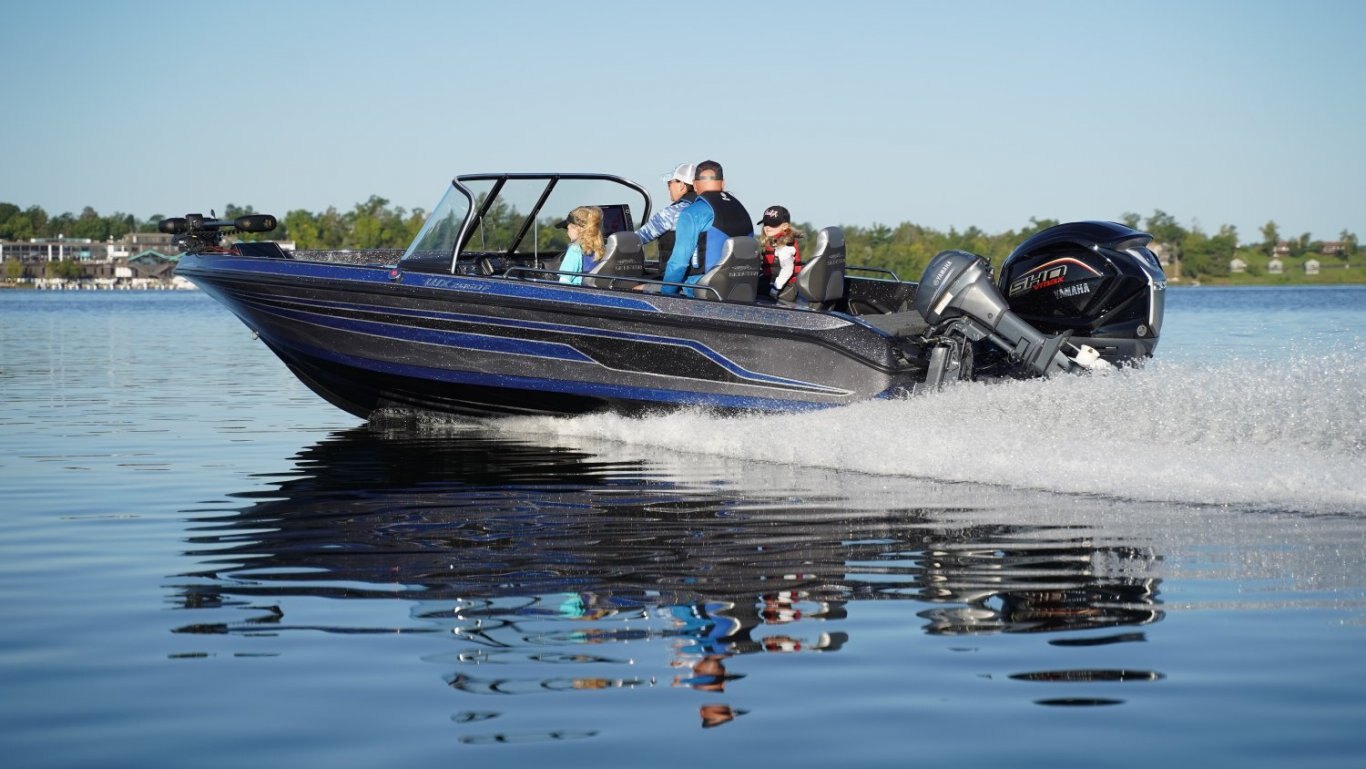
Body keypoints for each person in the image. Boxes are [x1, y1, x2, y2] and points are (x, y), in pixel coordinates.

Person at [661, 160, 752, 296]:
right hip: (743, 288)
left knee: (644, 288)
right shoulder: (741, 209)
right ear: (723, 183)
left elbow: (678, 264)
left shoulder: (692, 212)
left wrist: (665, 295)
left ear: (695, 184)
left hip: (707, 289)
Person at [635, 163, 697, 265]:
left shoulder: (670, 214)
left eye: (669, 183)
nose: (668, 188)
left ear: (681, 185)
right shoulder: (709, 209)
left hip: (674, 274)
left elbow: (636, 239)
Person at [756, 205, 802, 301]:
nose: (768, 227)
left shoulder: (785, 246)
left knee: (750, 289)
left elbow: (787, 269)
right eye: (766, 223)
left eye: (773, 224)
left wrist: (776, 288)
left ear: (785, 226)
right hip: (773, 281)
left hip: (786, 288)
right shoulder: (774, 242)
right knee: (753, 283)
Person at [555, 206, 604, 285]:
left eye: (568, 228)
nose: (567, 233)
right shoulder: (600, 249)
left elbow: (564, 282)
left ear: (577, 228)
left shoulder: (574, 250)